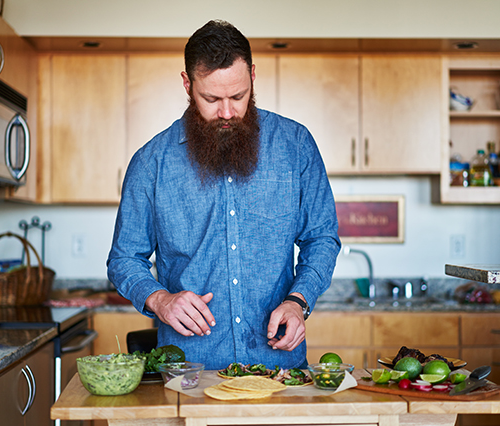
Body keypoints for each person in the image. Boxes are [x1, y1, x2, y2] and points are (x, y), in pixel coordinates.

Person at [107, 20, 340, 370]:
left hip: (278, 369)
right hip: (189, 372)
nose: (227, 112)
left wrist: (298, 301)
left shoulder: (295, 146)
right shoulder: (151, 163)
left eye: (238, 96)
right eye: (211, 98)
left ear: (253, 77)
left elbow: (321, 237)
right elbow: (124, 259)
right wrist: (160, 300)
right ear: (188, 85)